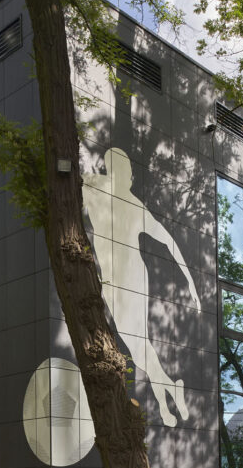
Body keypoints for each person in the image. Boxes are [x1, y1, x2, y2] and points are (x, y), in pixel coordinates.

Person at [84, 148, 201, 426]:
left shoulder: (101, 190)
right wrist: (191, 283)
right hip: (115, 281)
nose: (130, 177)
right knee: (141, 348)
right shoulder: (103, 191)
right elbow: (169, 242)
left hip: (129, 279)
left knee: (139, 348)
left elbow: (168, 241)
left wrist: (192, 283)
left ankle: (168, 398)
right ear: (121, 171)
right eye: (127, 171)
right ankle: (169, 396)